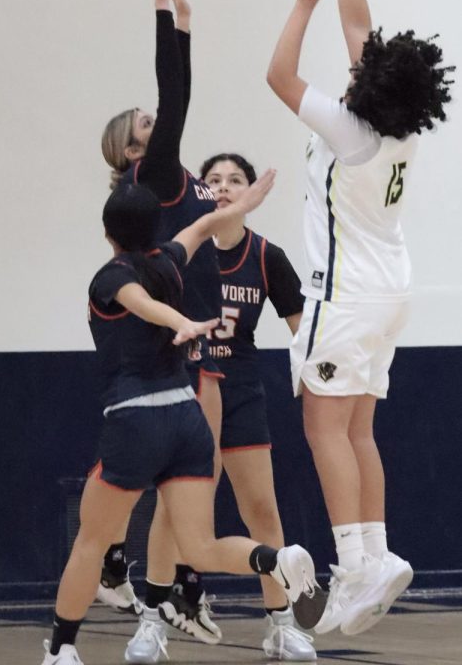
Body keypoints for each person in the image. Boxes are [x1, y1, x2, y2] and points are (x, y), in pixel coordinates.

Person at [40, 178, 326, 665]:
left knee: (91, 540)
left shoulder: (110, 277)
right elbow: (200, 226)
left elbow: (138, 302)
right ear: (155, 230)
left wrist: (177, 322)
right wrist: (246, 204)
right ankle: (275, 560)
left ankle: (62, 649)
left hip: (136, 421)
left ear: (108, 232)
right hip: (188, 420)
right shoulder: (171, 261)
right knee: (201, 545)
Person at [266, 0, 453, 637]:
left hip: (344, 298)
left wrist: (303, 1)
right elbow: (364, 31)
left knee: (322, 428)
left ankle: (353, 564)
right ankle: (375, 550)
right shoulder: (400, 127)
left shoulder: (348, 129)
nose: (358, 60)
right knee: (359, 431)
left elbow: (278, 75)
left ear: (369, 87)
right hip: (391, 294)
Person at [99, 0, 225, 656]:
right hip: (181, 334)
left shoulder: (159, 180)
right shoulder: (159, 170)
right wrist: (173, 12)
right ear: (134, 147)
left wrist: (180, 13)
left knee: (177, 469)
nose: (157, 120)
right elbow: (174, 92)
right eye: (145, 122)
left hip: (188, 328)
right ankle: (161, 582)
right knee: (183, 467)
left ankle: (161, 580)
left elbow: (171, 98)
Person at [200, 152, 313, 661]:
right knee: (180, 520)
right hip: (188, 396)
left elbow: (303, 330)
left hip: (242, 394)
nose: (223, 187)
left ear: (250, 191)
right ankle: (157, 616)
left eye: (234, 179)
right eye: (213, 180)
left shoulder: (266, 256)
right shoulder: (182, 251)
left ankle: (282, 622)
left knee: (261, 511)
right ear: (201, 192)